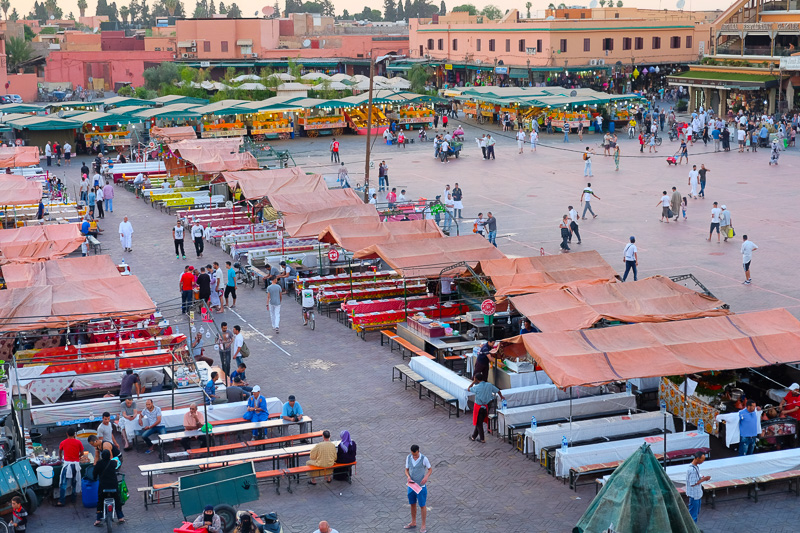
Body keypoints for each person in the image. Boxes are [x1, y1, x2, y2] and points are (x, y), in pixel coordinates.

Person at [92, 449, 125, 527]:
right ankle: (120, 517)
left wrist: (94, 478)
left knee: (100, 501)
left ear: (102, 456)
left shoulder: (98, 464)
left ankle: (98, 519)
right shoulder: (113, 463)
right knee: (117, 499)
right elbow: (117, 465)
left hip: (103, 487)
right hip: (113, 486)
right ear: (110, 456)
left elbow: (94, 474)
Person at [405, 444, 432, 532]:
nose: (414, 456)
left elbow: (430, 469)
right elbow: (406, 470)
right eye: (413, 455)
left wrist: (426, 477)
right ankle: (413, 522)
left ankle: (423, 525)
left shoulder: (424, 459)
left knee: (422, 505)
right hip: (412, 485)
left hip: (421, 486)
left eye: (416, 455)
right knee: (412, 503)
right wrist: (408, 476)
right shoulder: (409, 458)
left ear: (418, 451)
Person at [468, 375, 503, 443]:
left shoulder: (477, 387)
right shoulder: (489, 385)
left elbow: (469, 388)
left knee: (478, 424)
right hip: (486, 406)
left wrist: (473, 382)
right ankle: (473, 437)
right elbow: (498, 390)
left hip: (478, 407)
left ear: (477, 379)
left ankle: (482, 439)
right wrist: (501, 396)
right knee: (479, 422)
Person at [57, 428, 84, 506]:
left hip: (67, 465)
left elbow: (60, 451)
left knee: (63, 483)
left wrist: (61, 457)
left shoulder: (63, 442)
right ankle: (73, 498)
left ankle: (61, 500)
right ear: (74, 434)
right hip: (75, 465)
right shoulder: (78, 442)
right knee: (74, 483)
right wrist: (77, 457)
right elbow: (82, 453)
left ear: (67, 434)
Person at [685, 450, 710, 523]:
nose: (703, 461)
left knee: (696, 513)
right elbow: (693, 483)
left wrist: (702, 478)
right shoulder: (692, 469)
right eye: (702, 460)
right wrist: (704, 479)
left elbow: (696, 479)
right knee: (693, 515)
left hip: (697, 494)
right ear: (698, 458)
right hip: (694, 495)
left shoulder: (695, 467)